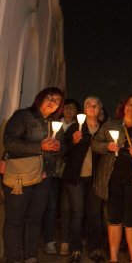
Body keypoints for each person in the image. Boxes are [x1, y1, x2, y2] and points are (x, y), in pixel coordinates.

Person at [3, 87, 65, 263]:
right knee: (15, 218)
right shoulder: (23, 116)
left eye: (58, 100)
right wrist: (40, 146)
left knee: (35, 218)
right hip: (21, 176)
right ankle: (14, 257)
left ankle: (30, 256)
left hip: (44, 178)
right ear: (40, 98)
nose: (53, 101)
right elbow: (9, 141)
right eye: (49, 97)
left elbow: (63, 151)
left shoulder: (55, 124)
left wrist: (59, 147)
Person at [92, 94, 132, 263]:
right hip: (112, 179)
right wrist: (107, 146)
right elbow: (95, 144)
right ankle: (114, 258)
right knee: (113, 219)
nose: (131, 107)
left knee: (131, 220)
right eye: (129, 103)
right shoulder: (111, 124)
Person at [63, 96, 105, 262]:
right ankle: (76, 250)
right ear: (84, 108)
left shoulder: (104, 128)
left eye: (95, 105)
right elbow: (65, 151)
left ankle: (95, 248)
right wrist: (73, 142)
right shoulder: (75, 127)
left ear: (100, 108)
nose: (92, 107)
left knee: (95, 213)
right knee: (77, 213)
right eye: (88, 104)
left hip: (95, 178)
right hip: (76, 177)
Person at [43, 98, 81, 256]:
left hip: (69, 171)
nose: (69, 111)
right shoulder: (54, 124)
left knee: (68, 206)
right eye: (66, 108)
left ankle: (70, 239)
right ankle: (49, 239)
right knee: (51, 205)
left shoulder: (78, 127)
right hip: (52, 170)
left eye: (72, 108)